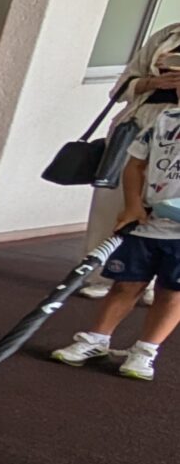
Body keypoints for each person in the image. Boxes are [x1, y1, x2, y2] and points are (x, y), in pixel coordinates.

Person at [50, 63, 180, 381]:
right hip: (147, 222)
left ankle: (145, 351)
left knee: (172, 293)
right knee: (126, 284)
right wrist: (133, 205)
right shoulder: (163, 121)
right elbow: (135, 165)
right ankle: (96, 339)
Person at [76, 22, 180, 304]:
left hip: (176, 128)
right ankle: (99, 274)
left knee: (164, 205)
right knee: (112, 198)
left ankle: (146, 280)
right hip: (137, 123)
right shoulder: (168, 35)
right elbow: (121, 88)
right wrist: (155, 81)